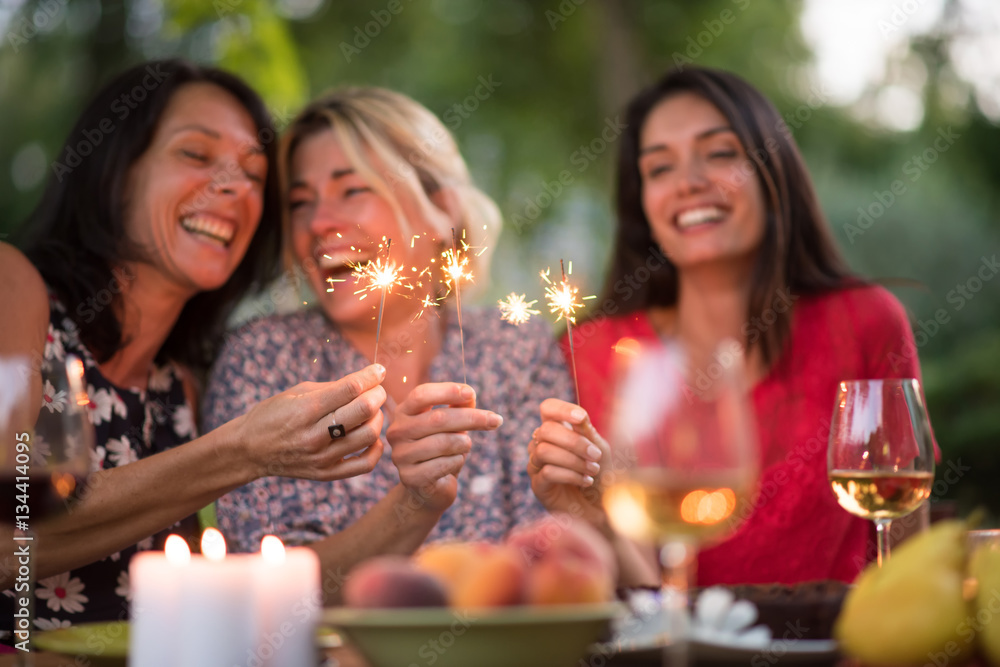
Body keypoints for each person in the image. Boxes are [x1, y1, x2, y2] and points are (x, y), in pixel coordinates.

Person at [0, 59, 386, 629]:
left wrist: (418, 500)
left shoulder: (183, 385)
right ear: (115, 169)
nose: (233, 185)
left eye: (253, 175)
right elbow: (10, 541)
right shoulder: (15, 288)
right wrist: (243, 451)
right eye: (196, 154)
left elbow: (264, 592)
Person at [204, 87, 624, 597]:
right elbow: (265, 589)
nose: (318, 223)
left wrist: (595, 513)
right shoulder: (262, 359)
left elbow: (554, 567)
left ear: (442, 210)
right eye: (300, 203)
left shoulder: (516, 348)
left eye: (352, 189)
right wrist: (413, 504)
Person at [527, 65, 932, 586]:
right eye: (659, 169)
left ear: (773, 172)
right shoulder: (594, 352)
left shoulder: (865, 322)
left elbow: (905, 554)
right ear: (642, 205)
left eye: (719, 154)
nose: (690, 184)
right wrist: (598, 517)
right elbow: (644, 598)